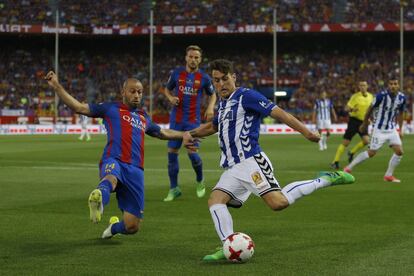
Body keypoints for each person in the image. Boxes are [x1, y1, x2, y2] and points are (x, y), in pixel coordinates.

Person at [182, 59, 355, 261]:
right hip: (232, 167)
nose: (220, 84)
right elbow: (213, 127)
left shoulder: (247, 96)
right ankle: (228, 244)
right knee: (215, 200)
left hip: (251, 161)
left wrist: (306, 132)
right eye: (216, 80)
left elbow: (280, 113)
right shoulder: (222, 105)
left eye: (225, 79)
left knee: (278, 203)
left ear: (234, 77)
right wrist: (191, 133)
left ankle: (324, 179)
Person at [45, 71, 188, 239]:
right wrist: (56, 86)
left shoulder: (143, 117)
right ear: (123, 92)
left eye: (140, 92)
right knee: (110, 180)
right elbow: (79, 107)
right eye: (132, 91)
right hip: (114, 159)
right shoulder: (110, 108)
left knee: (132, 226)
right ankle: (99, 200)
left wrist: (186, 134)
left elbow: (163, 132)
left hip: (136, 170)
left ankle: (113, 228)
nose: (136, 95)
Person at [162, 45, 216, 202]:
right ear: (186, 57)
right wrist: (170, 98)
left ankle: (199, 181)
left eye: (196, 57)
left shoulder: (204, 78)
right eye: (191, 56)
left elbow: (213, 95)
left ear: (200, 59)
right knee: (172, 154)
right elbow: (166, 89)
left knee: (193, 154)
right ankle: (174, 188)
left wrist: (211, 107)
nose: (193, 60)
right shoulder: (177, 73)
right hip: (176, 120)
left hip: (193, 121)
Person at [344, 77, 406, 182]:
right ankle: (348, 168)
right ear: (388, 85)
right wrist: (364, 123)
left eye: (395, 84)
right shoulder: (380, 96)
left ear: (398, 85)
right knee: (371, 153)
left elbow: (400, 113)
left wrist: (401, 128)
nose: (393, 86)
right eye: (391, 84)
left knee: (399, 152)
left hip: (392, 129)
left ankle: (388, 176)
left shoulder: (402, 98)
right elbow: (369, 109)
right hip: (379, 129)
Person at [331, 81, 373, 169]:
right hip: (354, 121)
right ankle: (335, 161)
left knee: (366, 141)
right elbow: (346, 108)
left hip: (363, 122)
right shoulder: (355, 97)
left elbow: (370, 109)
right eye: (361, 85)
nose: (362, 87)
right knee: (346, 142)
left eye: (364, 85)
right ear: (359, 86)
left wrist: (369, 119)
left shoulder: (371, 97)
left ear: (367, 86)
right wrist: (352, 109)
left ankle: (351, 152)